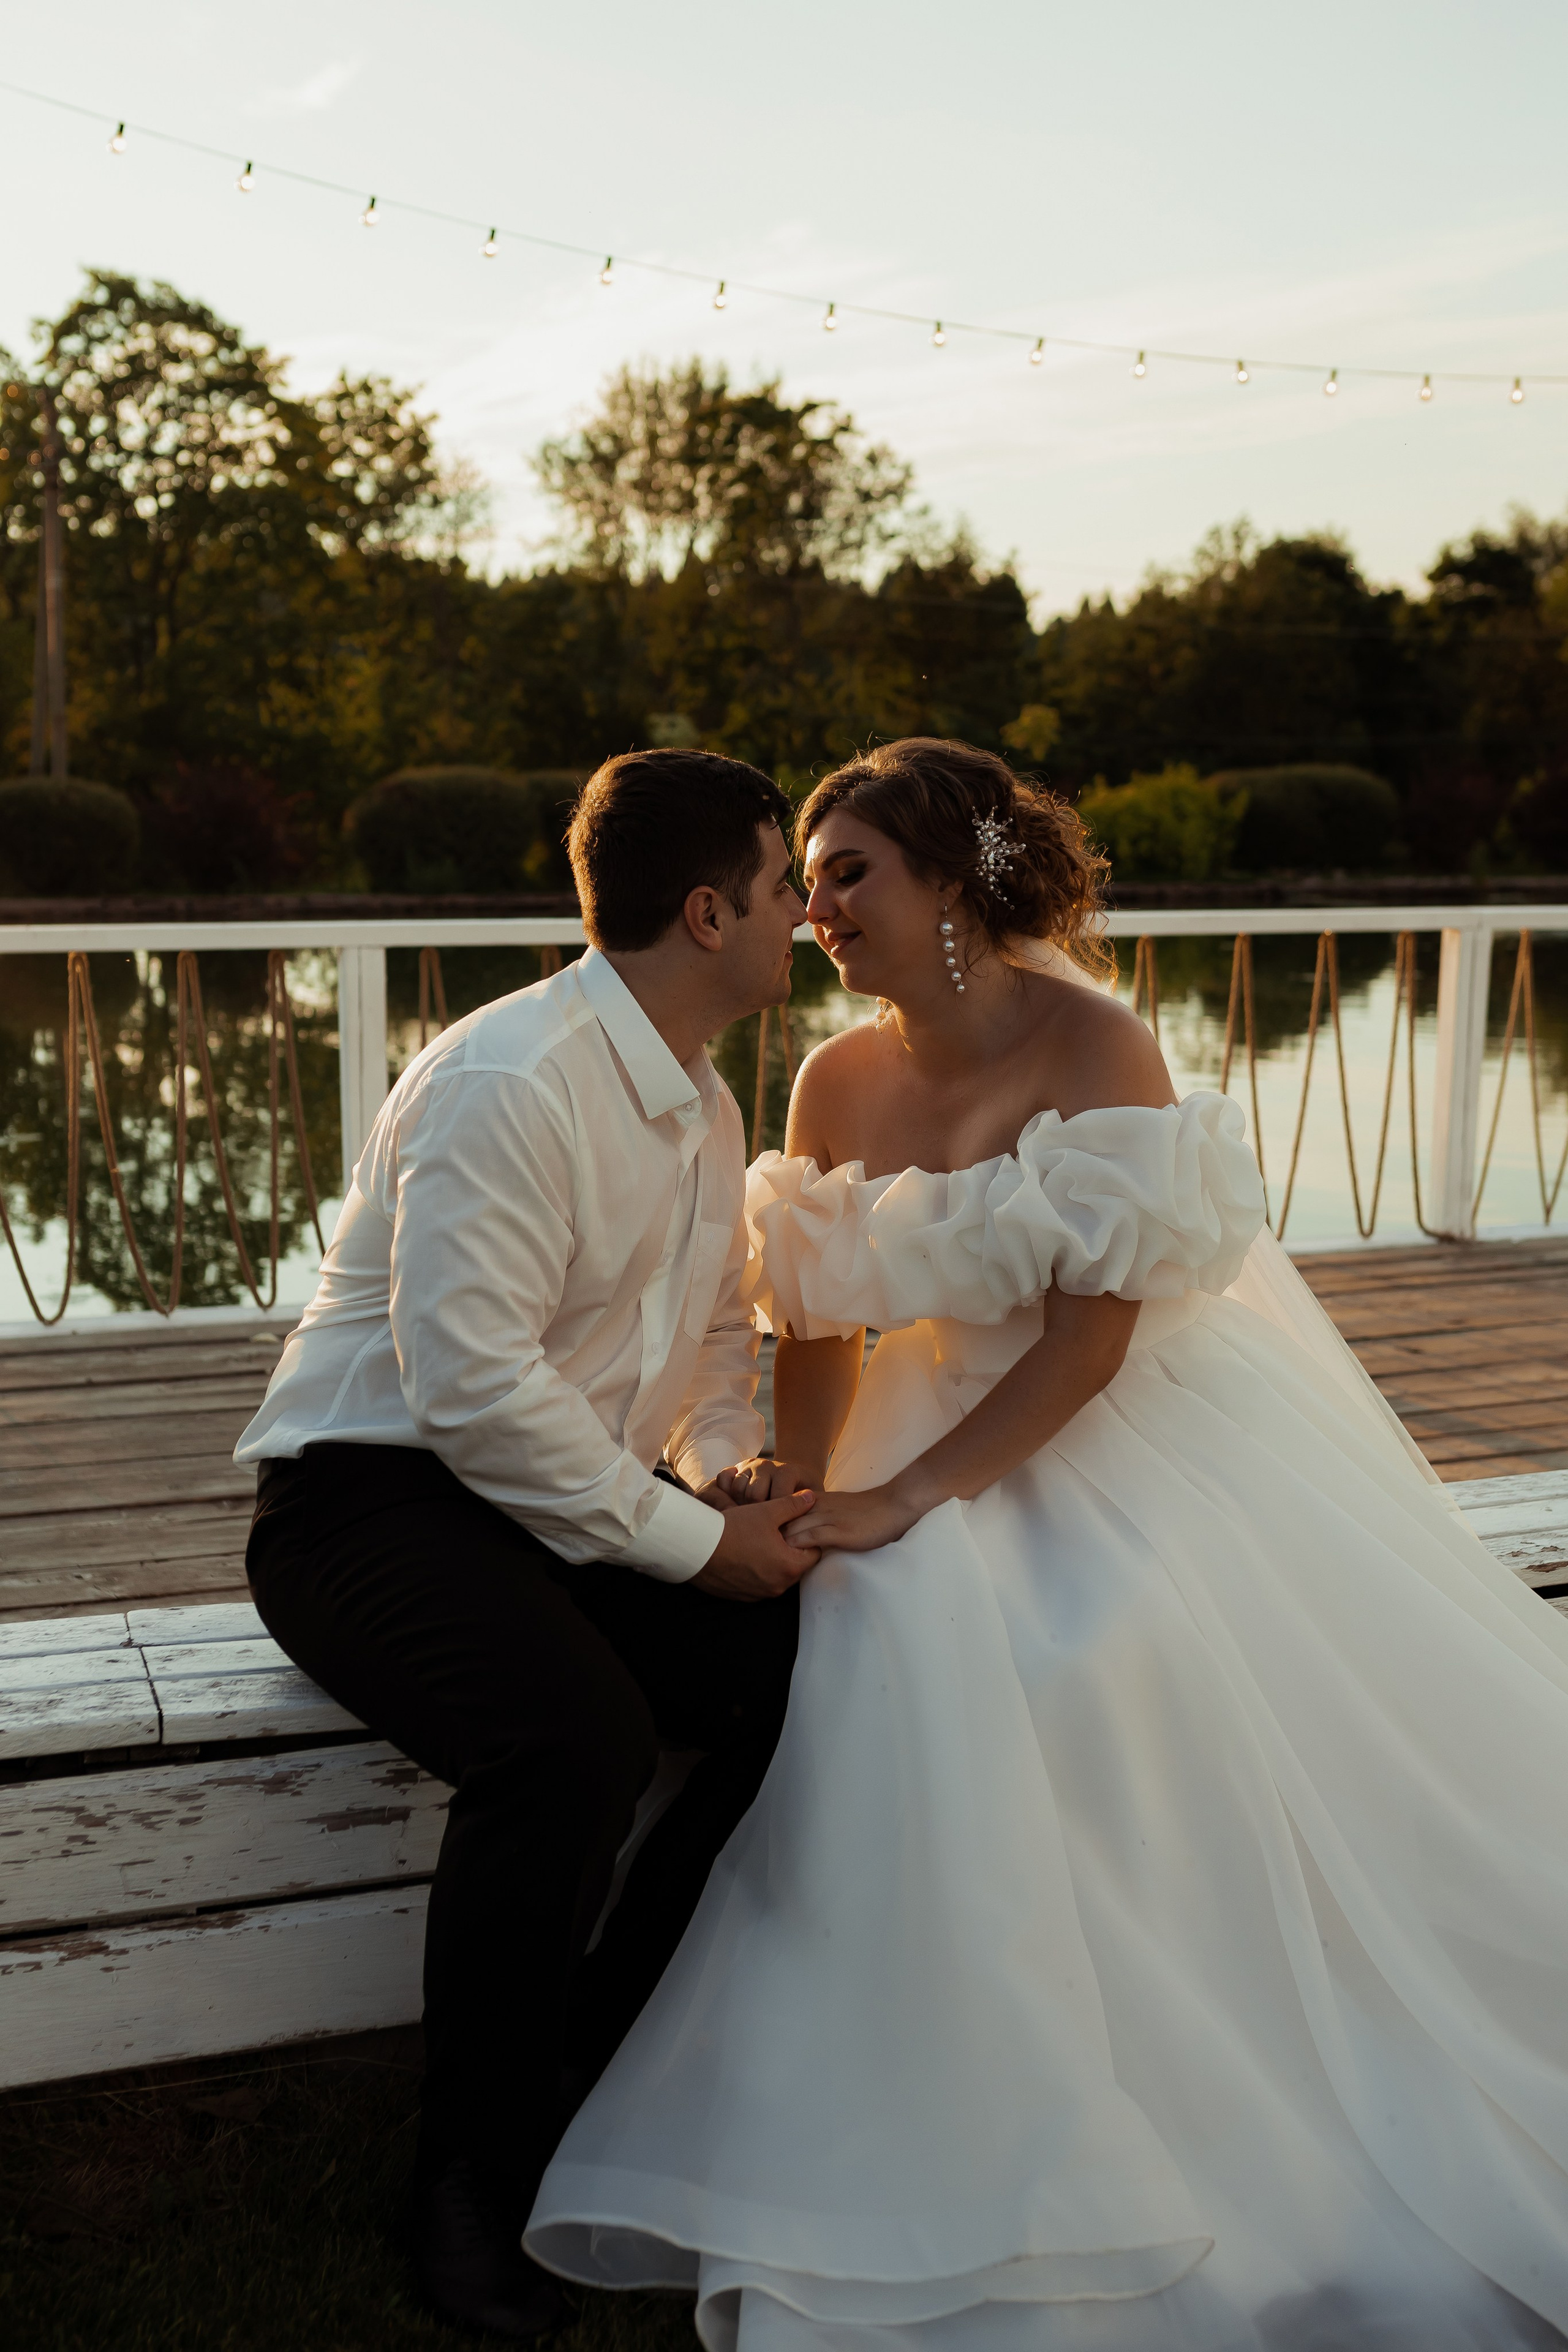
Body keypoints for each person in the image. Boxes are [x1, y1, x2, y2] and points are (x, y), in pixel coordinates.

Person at [526, 738, 1568, 2352]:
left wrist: (907, 1499)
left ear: (953, 875)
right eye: (806, 880)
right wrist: (805, 1485)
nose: (817, 909)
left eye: (850, 869)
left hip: (1106, 1430)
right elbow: (810, 1318)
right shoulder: (831, 1078)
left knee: (1059, 1633)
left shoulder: (1100, 1048)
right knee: (866, 1625)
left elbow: (1089, 1346)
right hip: (906, 1424)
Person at [236, 749, 818, 2341]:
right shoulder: (512, 1078)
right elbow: (471, 1387)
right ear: (707, 913)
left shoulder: (704, 1102)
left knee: (806, 1672)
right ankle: (469, 2180)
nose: (800, 924)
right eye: (781, 891)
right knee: (574, 1740)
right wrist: (691, 1551)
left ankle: (590, 2063)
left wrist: (724, 1477)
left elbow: (705, 1340)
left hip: (555, 1505)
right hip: (373, 1499)